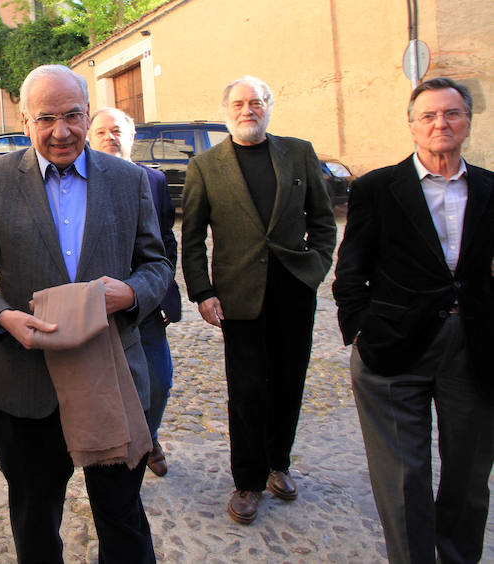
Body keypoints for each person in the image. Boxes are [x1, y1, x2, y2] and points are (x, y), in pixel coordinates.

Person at [0, 64, 171, 563]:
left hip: (110, 377)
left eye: (72, 116)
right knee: (34, 518)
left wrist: (130, 294)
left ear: (87, 115)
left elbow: (157, 263)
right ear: (25, 121)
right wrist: (3, 319)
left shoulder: (129, 180)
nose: (61, 131)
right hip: (25, 384)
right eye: (46, 119)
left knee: (121, 516)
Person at [333, 77, 494, 564]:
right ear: (412, 126)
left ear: (467, 121)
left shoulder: (489, 187)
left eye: (451, 114)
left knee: (468, 476)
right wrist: (360, 329)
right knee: (403, 479)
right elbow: (351, 268)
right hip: (393, 347)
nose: (440, 123)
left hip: (474, 347)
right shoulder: (380, 188)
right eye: (429, 116)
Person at [181, 75, 336, 525]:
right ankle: (246, 481)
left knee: (289, 381)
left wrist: (316, 266)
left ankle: (278, 465)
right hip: (238, 294)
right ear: (226, 110)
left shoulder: (299, 153)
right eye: (240, 103)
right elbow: (191, 238)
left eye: (257, 101)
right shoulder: (206, 167)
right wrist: (203, 292)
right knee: (247, 390)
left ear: (269, 106)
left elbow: (324, 221)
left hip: (293, 288)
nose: (248, 109)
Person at [88, 107, 181, 477]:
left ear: (131, 138)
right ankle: (111, 447)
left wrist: (159, 296)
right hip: (96, 306)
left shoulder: (154, 181)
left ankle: (150, 435)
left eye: (118, 131)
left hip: (144, 304)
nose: (111, 137)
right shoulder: (82, 182)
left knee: (159, 380)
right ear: (90, 139)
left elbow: (166, 244)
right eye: (102, 132)